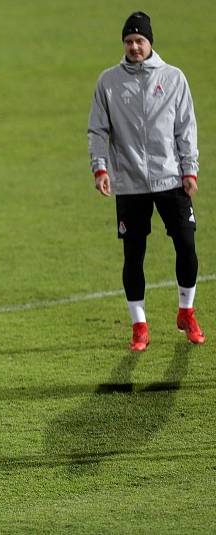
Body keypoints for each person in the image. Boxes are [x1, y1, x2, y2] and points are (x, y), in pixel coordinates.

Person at [88, 11, 205, 351]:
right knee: (133, 255)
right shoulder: (108, 82)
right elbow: (98, 130)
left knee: (186, 246)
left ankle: (187, 311)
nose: (134, 47)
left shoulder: (173, 78)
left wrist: (189, 170)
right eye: (128, 41)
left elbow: (186, 127)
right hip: (130, 183)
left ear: (150, 42)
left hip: (171, 180)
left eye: (139, 41)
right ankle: (139, 325)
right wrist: (101, 168)